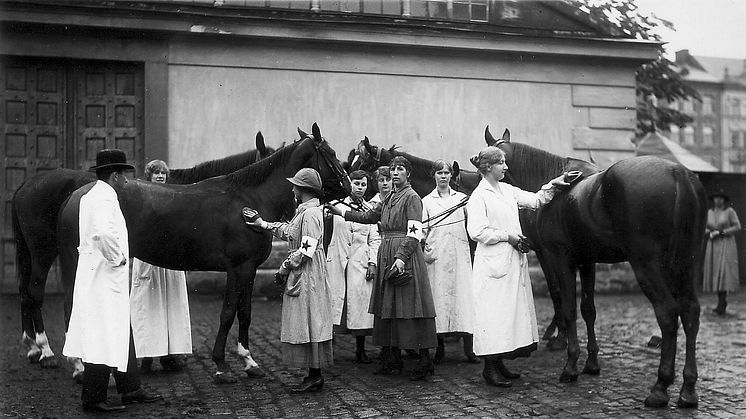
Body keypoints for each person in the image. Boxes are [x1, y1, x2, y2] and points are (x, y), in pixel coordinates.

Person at [63, 149, 163, 412]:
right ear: (115, 175)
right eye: (125, 176)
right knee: (103, 331)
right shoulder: (104, 199)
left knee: (117, 327)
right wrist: (118, 258)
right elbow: (104, 234)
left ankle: (130, 387)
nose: (128, 181)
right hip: (104, 275)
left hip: (97, 273)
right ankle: (93, 398)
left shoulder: (94, 195)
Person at [326, 156, 438, 381]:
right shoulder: (389, 198)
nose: (395, 173)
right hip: (386, 253)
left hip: (403, 257)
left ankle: (423, 362)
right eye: (393, 169)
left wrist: (401, 258)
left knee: (410, 306)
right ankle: (392, 358)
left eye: (400, 170)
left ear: (408, 173)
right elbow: (368, 216)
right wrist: (341, 213)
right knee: (390, 307)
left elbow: (415, 233)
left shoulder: (412, 197)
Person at [466, 146, 569, 387]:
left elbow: (535, 200)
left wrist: (557, 182)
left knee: (507, 314)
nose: (507, 167)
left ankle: (499, 362)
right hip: (492, 264)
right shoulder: (479, 197)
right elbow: (477, 232)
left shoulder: (507, 190)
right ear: (489, 167)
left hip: (511, 262)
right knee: (493, 315)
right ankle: (489, 368)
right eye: (502, 163)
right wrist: (509, 237)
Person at [243, 168, 333, 393]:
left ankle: (315, 375)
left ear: (304, 189)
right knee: (308, 317)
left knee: (311, 317)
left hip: (309, 271)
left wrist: (284, 267)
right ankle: (313, 373)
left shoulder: (311, 214)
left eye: (295, 185)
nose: (292, 189)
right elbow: (290, 232)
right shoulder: (303, 212)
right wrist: (263, 224)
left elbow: (306, 249)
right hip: (305, 269)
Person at [130, 160, 192, 373]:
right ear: (149, 175)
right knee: (149, 305)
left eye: (163, 173)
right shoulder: (141, 197)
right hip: (149, 256)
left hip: (170, 258)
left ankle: (172, 353)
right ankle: (145, 354)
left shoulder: (174, 196)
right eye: (155, 173)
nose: (160, 176)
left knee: (172, 304)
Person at [421, 160, 477, 364]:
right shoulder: (426, 201)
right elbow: (421, 230)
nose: (443, 176)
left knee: (464, 300)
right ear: (433, 175)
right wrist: (423, 251)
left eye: (446, 173)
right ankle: (440, 348)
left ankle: (469, 349)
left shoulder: (462, 199)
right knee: (439, 301)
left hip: (460, 255)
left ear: (451, 176)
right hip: (437, 256)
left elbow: (474, 224)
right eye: (439, 173)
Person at [326, 170, 380, 363]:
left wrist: (373, 263)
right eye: (356, 183)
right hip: (338, 260)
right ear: (350, 184)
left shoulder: (370, 210)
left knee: (360, 306)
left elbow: (374, 239)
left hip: (360, 263)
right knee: (334, 304)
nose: (360, 187)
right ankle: (329, 348)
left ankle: (360, 349)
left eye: (363, 184)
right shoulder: (335, 206)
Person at [703, 189, 741, 315]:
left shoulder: (729, 212)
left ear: (724, 200)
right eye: (716, 198)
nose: (718, 200)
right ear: (713, 200)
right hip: (713, 244)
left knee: (723, 272)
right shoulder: (709, 213)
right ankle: (720, 302)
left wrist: (723, 232)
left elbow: (737, 226)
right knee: (715, 273)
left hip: (725, 244)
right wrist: (710, 232)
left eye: (720, 198)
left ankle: (722, 302)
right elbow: (704, 227)